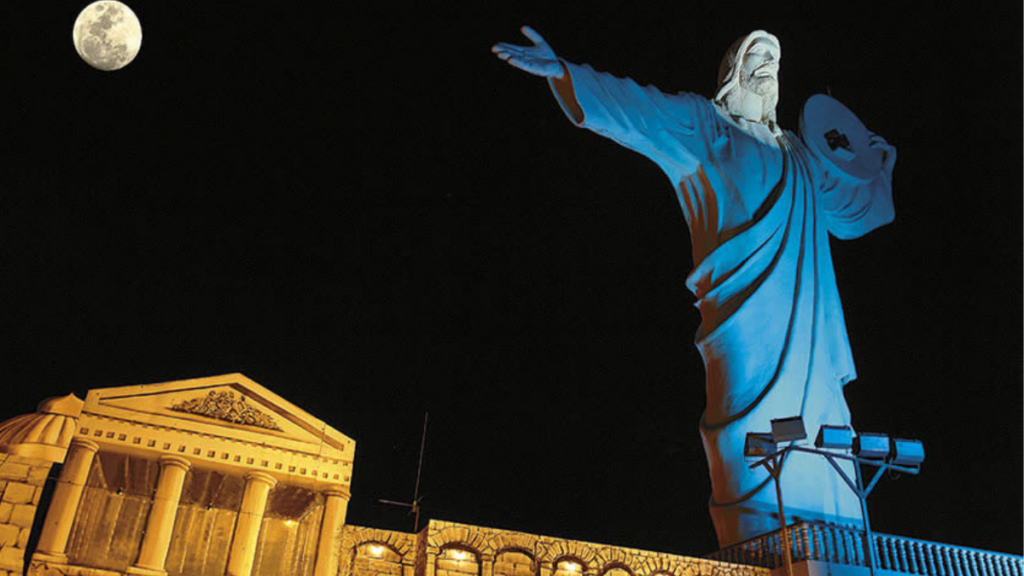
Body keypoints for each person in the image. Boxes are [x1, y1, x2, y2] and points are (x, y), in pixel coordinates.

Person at [493, 27, 897, 547]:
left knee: (826, 434)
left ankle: (842, 548)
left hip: (810, 339)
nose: (769, 63)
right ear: (734, 68)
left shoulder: (799, 154)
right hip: (744, 324)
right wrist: (567, 73)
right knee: (749, 439)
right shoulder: (706, 126)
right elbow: (639, 108)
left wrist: (875, 164)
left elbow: (854, 212)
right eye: (758, 53)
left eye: (775, 56)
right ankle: (760, 550)